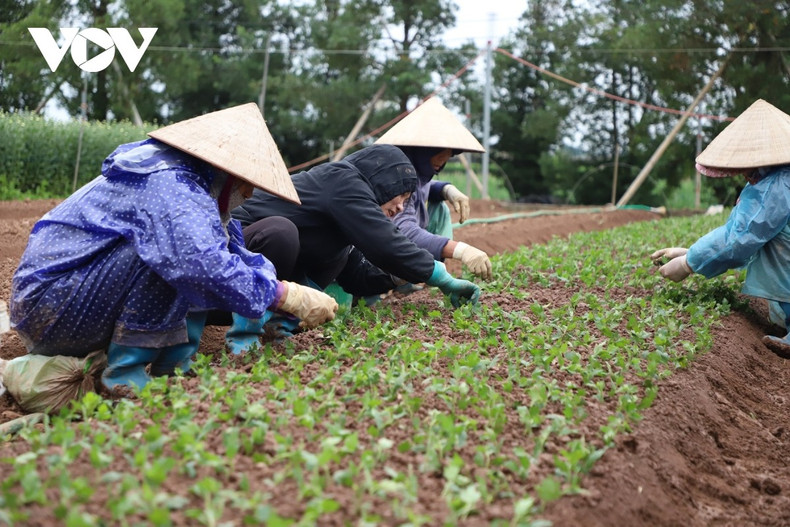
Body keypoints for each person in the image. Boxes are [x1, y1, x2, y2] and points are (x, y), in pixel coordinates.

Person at [9, 103, 338, 391]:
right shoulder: (168, 182)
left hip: (75, 297)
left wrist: (286, 291)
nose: (249, 195)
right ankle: (124, 377)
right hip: (51, 307)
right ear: (225, 171)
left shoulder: (192, 189)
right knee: (182, 256)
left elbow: (232, 250)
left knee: (190, 250)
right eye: (247, 184)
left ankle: (173, 369)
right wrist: (282, 296)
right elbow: (199, 262)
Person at [231, 143, 480, 322]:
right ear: (386, 181)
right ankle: (249, 327)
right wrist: (440, 275)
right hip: (234, 249)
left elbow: (355, 275)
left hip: (262, 263)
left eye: (407, 200)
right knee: (281, 233)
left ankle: (284, 323)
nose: (400, 207)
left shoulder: (345, 212)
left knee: (337, 252)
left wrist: (397, 277)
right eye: (401, 196)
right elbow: (385, 243)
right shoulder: (344, 182)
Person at [651, 98, 790, 357]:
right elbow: (742, 233)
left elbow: (742, 238)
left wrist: (688, 263)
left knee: (781, 248)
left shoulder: (778, 185)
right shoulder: (777, 177)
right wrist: (689, 251)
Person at [375, 97, 493, 281]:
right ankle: (410, 275)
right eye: (438, 156)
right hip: (376, 255)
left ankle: (432, 270)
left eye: (446, 158)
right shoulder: (397, 179)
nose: (441, 163)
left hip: (392, 250)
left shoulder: (413, 170)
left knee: (439, 207)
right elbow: (404, 231)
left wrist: (447, 189)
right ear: (423, 152)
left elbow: (423, 187)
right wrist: (461, 250)